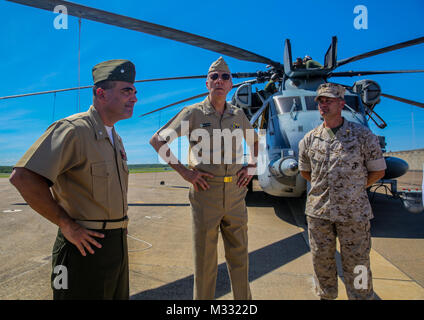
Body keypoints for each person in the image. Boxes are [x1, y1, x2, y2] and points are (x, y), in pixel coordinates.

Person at [9, 59, 138, 300]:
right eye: (126, 91)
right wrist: (67, 225)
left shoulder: (115, 139)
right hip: (82, 249)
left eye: (134, 91)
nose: (134, 98)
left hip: (115, 246)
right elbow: (23, 177)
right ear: (101, 93)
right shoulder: (73, 129)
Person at [150, 57, 258, 300]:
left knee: (240, 258)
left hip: (236, 194)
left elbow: (255, 141)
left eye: (225, 77)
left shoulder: (238, 115)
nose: (219, 81)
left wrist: (251, 164)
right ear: (206, 83)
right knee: (206, 262)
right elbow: (158, 141)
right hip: (206, 193)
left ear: (231, 84)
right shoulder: (193, 114)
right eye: (214, 77)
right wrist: (186, 173)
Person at [298, 83, 386, 300]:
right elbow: (306, 172)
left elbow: (378, 171)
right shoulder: (309, 139)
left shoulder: (363, 135)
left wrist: (354, 187)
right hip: (319, 214)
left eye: (329, 100)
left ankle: (361, 296)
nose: (323, 104)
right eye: (320, 101)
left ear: (341, 103)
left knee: (359, 264)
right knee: (321, 262)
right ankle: (326, 297)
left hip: (354, 214)